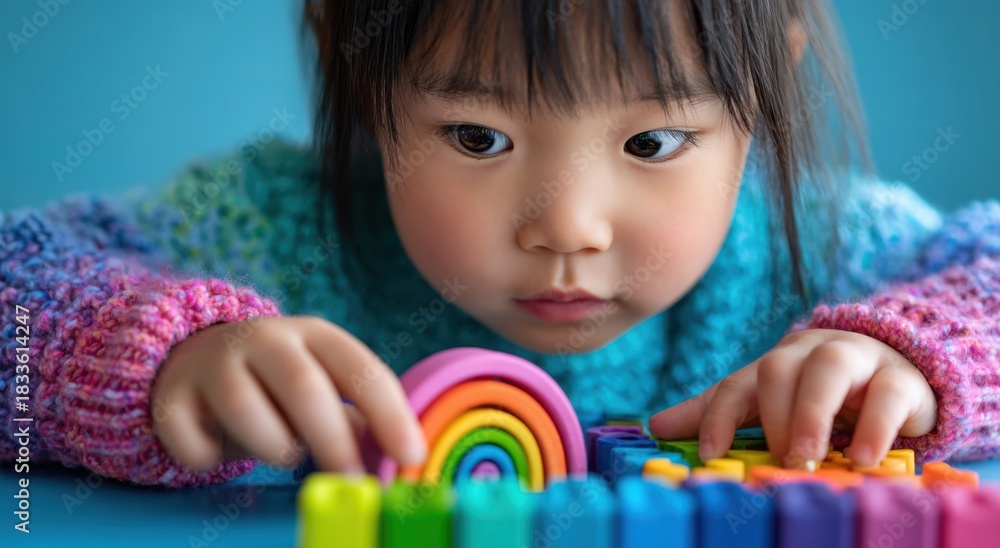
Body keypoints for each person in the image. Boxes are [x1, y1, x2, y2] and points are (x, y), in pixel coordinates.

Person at [1, 0, 997, 488]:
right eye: (478, 137)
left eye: (652, 141)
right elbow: (18, 279)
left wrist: (920, 347)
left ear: (755, 99)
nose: (566, 226)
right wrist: (148, 355)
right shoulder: (277, 227)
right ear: (360, 79)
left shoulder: (821, 249)